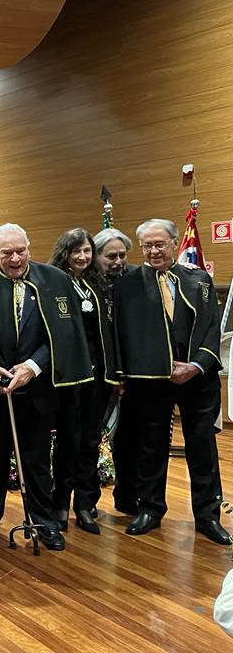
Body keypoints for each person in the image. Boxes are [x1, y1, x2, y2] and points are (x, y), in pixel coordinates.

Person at [0, 223, 92, 551]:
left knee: (35, 457)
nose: (16, 258)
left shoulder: (54, 280)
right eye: (7, 253)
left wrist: (33, 367)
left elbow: (63, 334)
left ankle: (44, 521)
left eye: (21, 250)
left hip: (38, 387)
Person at [114, 218, 228, 544]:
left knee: (202, 446)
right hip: (151, 381)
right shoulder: (128, 282)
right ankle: (150, 509)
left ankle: (208, 516)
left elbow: (211, 328)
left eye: (159, 244)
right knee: (150, 446)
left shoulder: (199, 280)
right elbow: (120, 332)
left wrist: (196, 365)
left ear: (175, 242)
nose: (153, 251)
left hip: (197, 378)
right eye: (147, 245)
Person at [47, 228, 118, 534]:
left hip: (98, 377)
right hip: (68, 378)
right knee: (67, 441)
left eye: (88, 251)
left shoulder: (97, 285)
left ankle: (86, 505)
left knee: (90, 440)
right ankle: (60, 503)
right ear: (66, 253)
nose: (82, 257)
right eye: (76, 251)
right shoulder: (53, 284)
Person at [93, 226, 137, 514]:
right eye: (111, 256)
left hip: (132, 375)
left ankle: (128, 497)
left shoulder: (135, 281)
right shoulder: (87, 286)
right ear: (97, 256)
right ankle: (87, 502)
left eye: (122, 255)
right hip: (95, 377)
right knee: (90, 439)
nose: (118, 261)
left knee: (130, 440)